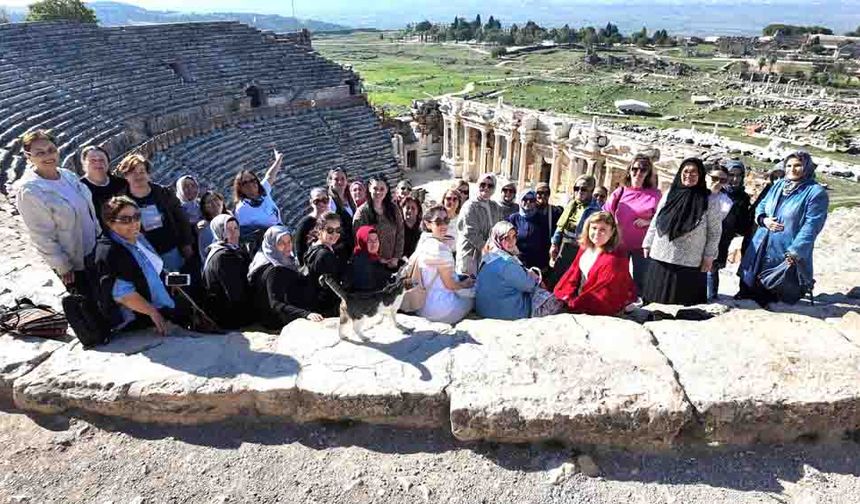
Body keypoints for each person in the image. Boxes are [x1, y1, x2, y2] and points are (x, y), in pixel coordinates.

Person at [15, 130, 101, 291]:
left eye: (51, 150)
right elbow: (41, 234)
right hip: (74, 264)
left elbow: (87, 210)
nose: (48, 156)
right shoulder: (30, 191)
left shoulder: (67, 175)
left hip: (94, 250)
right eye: (40, 153)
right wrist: (62, 265)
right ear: (28, 156)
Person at [738, 151, 828, 305]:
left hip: (786, 245)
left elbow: (812, 225)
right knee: (753, 275)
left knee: (778, 282)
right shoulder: (780, 185)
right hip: (763, 239)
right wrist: (763, 220)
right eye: (789, 165)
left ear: (806, 167)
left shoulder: (815, 192)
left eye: (797, 165)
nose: (792, 169)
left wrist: (796, 250)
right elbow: (762, 205)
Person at [91, 196, 187, 335]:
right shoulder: (111, 252)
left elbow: (151, 268)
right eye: (125, 219)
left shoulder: (138, 237)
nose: (134, 223)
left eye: (137, 217)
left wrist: (169, 279)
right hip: (141, 319)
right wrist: (152, 313)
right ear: (109, 222)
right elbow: (122, 294)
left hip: (164, 302)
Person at [641, 158, 722, 306]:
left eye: (693, 172)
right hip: (661, 255)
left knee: (684, 306)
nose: (689, 175)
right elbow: (656, 219)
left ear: (700, 175)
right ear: (680, 173)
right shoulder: (670, 193)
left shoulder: (709, 199)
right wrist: (647, 242)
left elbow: (715, 231)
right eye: (685, 171)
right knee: (655, 300)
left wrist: (709, 256)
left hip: (689, 261)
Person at [115, 153, 194, 272]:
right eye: (133, 172)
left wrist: (186, 243)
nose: (138, 176)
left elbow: (181, 219)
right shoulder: (120, 202)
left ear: (148, 174)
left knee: (178, 285)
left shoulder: (163, 193)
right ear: (126, 175)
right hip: (143, 256)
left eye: (142, 171)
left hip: (170, 250)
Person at [553, 212, 636, 316]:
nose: (597, 233)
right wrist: (566, 296)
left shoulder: (615, 260)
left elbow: (604, 295)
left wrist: (575, 304)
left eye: (603, 230)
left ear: (612, 232)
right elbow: (572, 274)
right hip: (581, 298)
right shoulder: (585, 248)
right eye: (594, 228)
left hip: (600, 308)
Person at [603, 154, 662, 294]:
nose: (638, 173)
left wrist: (648, 222)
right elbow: (605, 214)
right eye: (635, 169)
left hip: (643, 247)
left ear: (648, 173)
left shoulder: (656, 195)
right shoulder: (620, 192)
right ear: (629, 170)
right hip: (619, 244)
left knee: (642, 281)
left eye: (643, 170)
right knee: (615, 278)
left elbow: (663, 219)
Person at [248, 226, 323, 329]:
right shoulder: (274, 271)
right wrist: (306, 314)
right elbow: (275, 303)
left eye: (289, 242)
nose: (287, 246)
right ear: (272, 244)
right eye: (281, 243)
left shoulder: (279, 259)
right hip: (277, 320)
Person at [414, 206, 474, 324]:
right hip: (442, 311)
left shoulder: (423, 241)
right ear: (427, 224)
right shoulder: (440, 248)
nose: (443, 225)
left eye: (446, 220)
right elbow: (450, 285)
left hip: (420, 306)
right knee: (472, 298)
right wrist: (463, 284)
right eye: (438, 222)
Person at [475, 221, 540, 320]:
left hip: (483, 310)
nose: (511, 242)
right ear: (498, 238)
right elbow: (529, 286)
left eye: (514, 237)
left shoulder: (489, 256)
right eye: (506, 238)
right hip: (505, 313)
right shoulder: (507, 263)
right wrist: (534, 276)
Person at [548, 175, 601, 287]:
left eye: (584, 189)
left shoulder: (596, 210)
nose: (579, 192)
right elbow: (561, 226)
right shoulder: (572, 205)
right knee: (557, 275)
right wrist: (554, 243)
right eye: (577, 188)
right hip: (565, 245)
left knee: (573, 279)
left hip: (580, 248)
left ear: (591, 191)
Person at [201, 214, 252, 329]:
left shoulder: (223, 249)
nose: (234, 233)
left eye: (235, 228)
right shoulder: (224, 257)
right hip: (228, 316)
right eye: (228, 230)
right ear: (220, 232)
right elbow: (235, 293)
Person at [456, 173, 502, 276]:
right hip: (470, 256)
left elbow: (499, 228)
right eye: (482, 185)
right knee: (468, 288)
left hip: (488, 256)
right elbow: (470, 233)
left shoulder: (495, 206)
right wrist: (489, 249)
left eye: (490, 185)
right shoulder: (470, 206)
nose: (486, 188)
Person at [353, 177, 404, 268]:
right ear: (369, 188)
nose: (378, 192)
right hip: (372, 265)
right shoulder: (362, 213)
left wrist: (396, 257)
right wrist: (378, 259)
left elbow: (400, 233)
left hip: (393, 262)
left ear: (387, 190)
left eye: (382, 189)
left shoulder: (393, 209)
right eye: (375, 189)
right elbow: (359, 241)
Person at [304, 212, 348, 316]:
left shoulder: (312, 246)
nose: (335, 234)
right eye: (330, 230)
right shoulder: (325, 255)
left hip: (315, 301)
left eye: (338, 230)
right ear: (320, 230)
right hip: (327, 308)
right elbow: (331, 287)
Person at [233, 148, 285, 234]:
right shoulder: (241, 209)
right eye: (245, 183)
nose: (251, 184)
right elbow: (245, 234)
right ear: (240, 188)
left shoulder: (264, 192)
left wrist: (279, 159)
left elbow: (270, 175)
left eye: (253, 180)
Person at [79, 145, 127, 224]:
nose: (98, 163)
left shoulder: (122, 184)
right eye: (93, 160)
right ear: (84, 164)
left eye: (102, 160)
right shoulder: (79, 189)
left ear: (108, 162)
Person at [506, 189, 552, 271]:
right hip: (515, 261)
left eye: (531, 200)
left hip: (535, 263)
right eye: (525, 199)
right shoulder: (513, 218)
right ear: (520, 200)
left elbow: (545, 242)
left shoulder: (541, 218)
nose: (528, 202)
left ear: (535, 202)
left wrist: (545, 264)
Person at [346, 226, 395, 292]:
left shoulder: (369, 256)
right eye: (369, 241)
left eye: (376, 240)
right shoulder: (362, 262)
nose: (374, 243)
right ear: (362, 242)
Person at [295, 187, 329, 266]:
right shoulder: (305, 223)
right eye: (317, 201)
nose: (321, 204)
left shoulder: (332, 219)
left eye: (324, 200)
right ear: (311, 203)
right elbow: (299, 248)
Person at [326, 168, 355, 260]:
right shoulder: (330, 201)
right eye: (336, 179)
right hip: (340, 248)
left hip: (352, 245)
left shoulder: (349, 198)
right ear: (330, 182)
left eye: (342, 179)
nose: (340, 182)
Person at [196, 191, 229, 264]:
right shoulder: (205, 228)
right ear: (204, 207)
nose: (214, 204)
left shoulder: (231, 218)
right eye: (209, 202)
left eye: (215, 199)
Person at [534, 181, 563, 248]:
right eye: (540, 193)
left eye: (546, 193)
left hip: (546, 250)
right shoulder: (529, 211)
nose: (543, 196)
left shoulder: (556, 211)